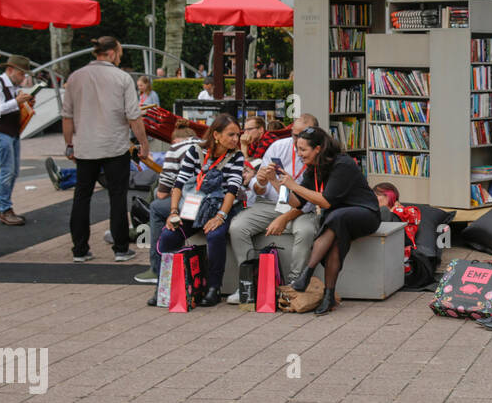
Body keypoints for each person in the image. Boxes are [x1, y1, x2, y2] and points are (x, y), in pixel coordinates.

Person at [279, 127, 383, 315]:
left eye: (303, 150)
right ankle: (329, 296)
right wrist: (277, 183)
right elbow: (298, 203)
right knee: (335, 236)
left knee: (336, 217)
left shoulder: (343, 164)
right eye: (297, 149)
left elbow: (326, 201)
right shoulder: (313, 169)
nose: (299, 154)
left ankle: (307, 273)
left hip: (366, 213)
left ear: (318, 149)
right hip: (338, 220)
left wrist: (294, 185)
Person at [63, 37, 149, 262]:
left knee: (81, 196)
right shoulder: (122, 78)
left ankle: (79, 249)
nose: (120, 58)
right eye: (119, 53)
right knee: (117, 197)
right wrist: (143, 143)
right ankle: (121, 248)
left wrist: (69, 144)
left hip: (85, 147)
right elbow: (133, 116)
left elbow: (67, 117)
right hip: (114, 146)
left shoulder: (76, 77)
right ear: (111, 53)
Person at [225, 114, 323, 300]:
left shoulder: (318, 153)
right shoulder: (279, 146)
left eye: (302, 135)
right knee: (238, 227)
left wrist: (284, 217)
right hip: (271, 204)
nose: (297, 141)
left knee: (306, 231)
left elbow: (308, 202)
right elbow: (259, 190)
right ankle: (249, 283)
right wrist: (260, 182)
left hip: (301, 209)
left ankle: (294, 286)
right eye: (294, 135)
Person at [152, 114, 244, 305]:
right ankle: (165, 285)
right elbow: (178, 184)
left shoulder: (237, 156)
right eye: (231, 134)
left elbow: (232, 190)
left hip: (222, 207)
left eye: (238, 135)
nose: (236, 139)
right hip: (193, 206)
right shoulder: (196, 152)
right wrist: (174, 212)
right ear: (216, 135)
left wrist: (220, 216)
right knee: (169, 235)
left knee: (215, 234)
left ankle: (213, 287)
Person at [134, 126, 199, 285]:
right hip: (216, 203)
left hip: (194, 205)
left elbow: (162, 194)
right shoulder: (202, 146)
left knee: (156, 205)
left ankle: (156, 267)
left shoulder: (176, 150)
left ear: (174, 141)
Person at [0, 54, 36, 226]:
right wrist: (16, 102)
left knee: (12, 172)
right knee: (8, 171)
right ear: (11, 70)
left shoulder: (11, 87)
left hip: (10, 133)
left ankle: (2, 209)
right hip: (0, 133)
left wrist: (25, 105)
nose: (23, 78)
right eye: (21, 74)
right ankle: (5, 209)